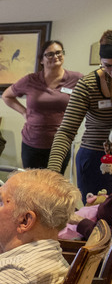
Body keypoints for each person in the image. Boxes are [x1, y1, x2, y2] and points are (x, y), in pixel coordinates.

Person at [48, 30, 112, 197]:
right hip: (95, 159)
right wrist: (51, 173)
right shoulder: (88, 85)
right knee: (98, 215)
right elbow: (66, 131)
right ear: (101, 62)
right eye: (109, 66)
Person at [2, 40, 82, 171]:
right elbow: (6, 96)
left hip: (60, 143)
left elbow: (90, 99)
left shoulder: (76, 78)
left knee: (54, 185)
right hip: (32, 142)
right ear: (41, 60)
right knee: (32, 186)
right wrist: (23, 112)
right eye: (49, 54)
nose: (55, 57)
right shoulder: (30, 80)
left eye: (58, 53)